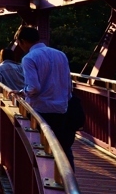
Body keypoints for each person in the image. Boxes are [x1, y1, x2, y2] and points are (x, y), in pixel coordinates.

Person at [14, 26, 77, 166]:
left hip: (40, 109)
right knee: (61, 147)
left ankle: (45, 175)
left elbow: (34, 87)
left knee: (40, 147)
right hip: (61, 108)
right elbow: (68, 83)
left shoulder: (29, 58)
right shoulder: (60, 54)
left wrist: (23, 92)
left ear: (23, 41)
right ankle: (68, 176)